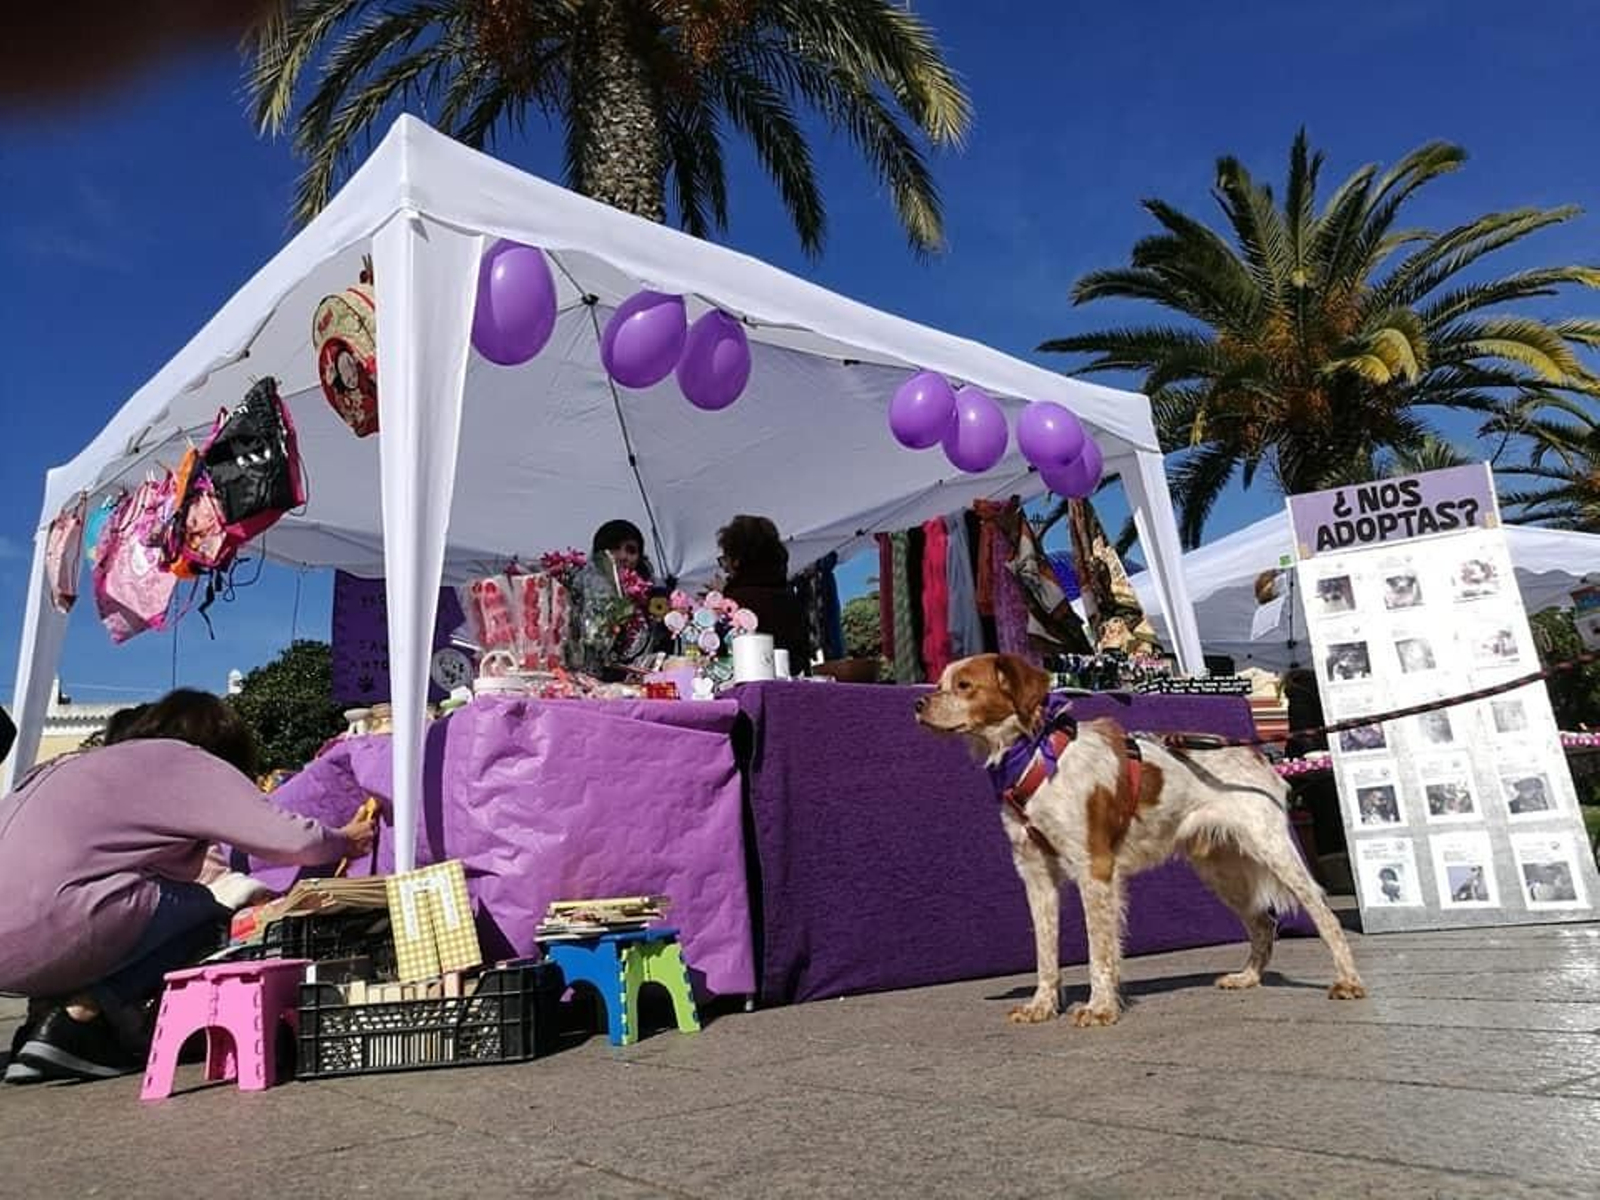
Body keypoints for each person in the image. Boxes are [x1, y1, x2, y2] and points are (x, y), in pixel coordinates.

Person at [0, 689, 374, 1083]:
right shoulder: (184, 761)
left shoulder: (74, 764)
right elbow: (295, 840)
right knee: (205, 913)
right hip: (57, 924)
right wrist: (346, 840)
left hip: (15, 954)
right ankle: (80, 1019)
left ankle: (38, 1029)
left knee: (94, 899)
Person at [716, 514, 811, 666]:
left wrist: (722, 600)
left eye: (726, 559)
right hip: (790, 685)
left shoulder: (733, 603)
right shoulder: (791, 599)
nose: (725, 569)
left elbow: (723, 660)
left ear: (737, 560)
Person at [572, 519, 662, 679]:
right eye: (614, 549)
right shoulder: (579, 591)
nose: (622, 556)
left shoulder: (651, 597)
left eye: (631, 550)